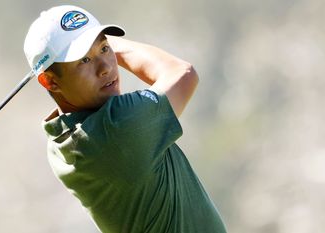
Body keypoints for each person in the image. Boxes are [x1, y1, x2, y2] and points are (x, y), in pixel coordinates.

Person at [24, 5, 227, 233]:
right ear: (50, 82)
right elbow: (183, 74)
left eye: (104, 49)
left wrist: (88, 44)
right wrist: (108, 43)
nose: (105, 67)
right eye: (84, 60)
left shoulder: (58, 139)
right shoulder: (118, 127)